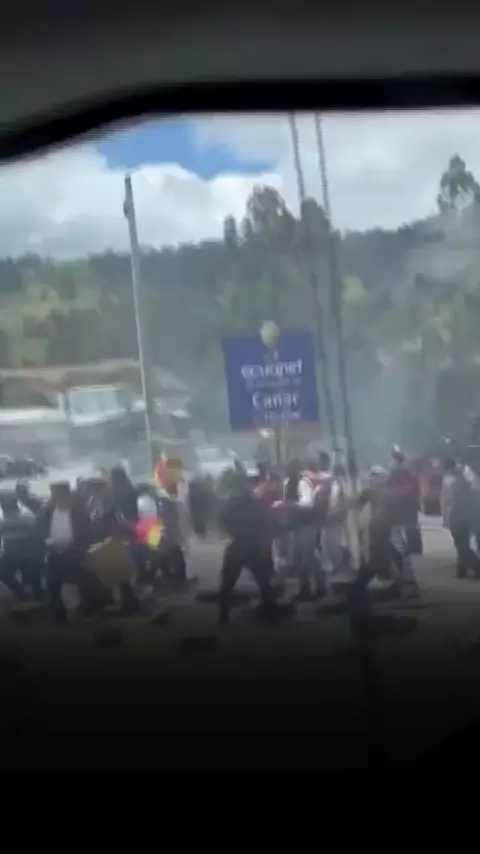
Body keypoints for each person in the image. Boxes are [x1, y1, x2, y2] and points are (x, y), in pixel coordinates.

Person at [218, 473, 279, 624]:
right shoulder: (257, 507)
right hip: (254, 546)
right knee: (263, 581)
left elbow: (223, 521)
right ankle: (270, 613)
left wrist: (234, 532)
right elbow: (267, 526)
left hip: (238, 545)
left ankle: (223, 614)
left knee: (227, 583)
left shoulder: (232, 507)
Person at [37, 482, 102, 623]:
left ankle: (86, 611)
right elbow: (39, 531)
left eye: (61, 495)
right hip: (54, 553)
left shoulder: (79, 512)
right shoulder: (46, 512)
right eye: (55, 495)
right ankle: (59, 615)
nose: (58, 499)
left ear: (68, 495)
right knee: (52, 584)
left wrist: (74, 546)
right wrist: (48, 542)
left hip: (74, 553)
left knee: (88, 582)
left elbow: (88, 534)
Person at [441, 458, 480, 579]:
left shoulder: (450, 480)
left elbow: (447, 500)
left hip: (457, 514)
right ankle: (462, 569)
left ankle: (476, 567)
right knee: (463, 542)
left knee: (461, 544)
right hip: (467, 514)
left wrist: (446, 517)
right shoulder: (463, 478)